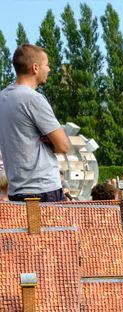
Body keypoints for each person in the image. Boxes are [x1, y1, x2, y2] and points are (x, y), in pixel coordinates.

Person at [0, 44, 70, 201]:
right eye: (47, 65)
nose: (49, 69)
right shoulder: (33, 99)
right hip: (44, 189)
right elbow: (64, 146)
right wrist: (49, 140)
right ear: (35, 67)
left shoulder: (2, 98)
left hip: (16, 191)